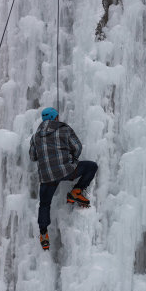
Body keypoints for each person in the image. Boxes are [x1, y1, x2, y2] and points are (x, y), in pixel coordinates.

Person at [29, 107, 98, 250]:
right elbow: (77, 147)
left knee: (44, 204)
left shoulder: (35, 136)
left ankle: (43, 234)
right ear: (55, 117)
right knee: (91, 167)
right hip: (66, 170)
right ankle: (76, 191)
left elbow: (33, 157)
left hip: (47, 177)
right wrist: (71, 158)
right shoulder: (64, 129)